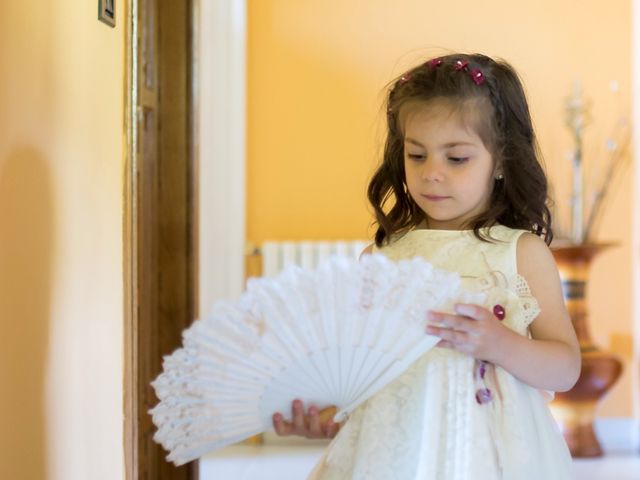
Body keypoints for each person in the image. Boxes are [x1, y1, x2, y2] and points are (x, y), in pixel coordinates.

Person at [272, 53, 580, 479]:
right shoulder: (382, 258)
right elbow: (363, 382)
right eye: (417, 156)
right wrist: (324, 416)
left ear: (502, 162)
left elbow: (565, 367)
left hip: (491, 459)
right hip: (393, 459)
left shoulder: (521, 254)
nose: (432, 173)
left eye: (456, 159)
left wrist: (501, 344)